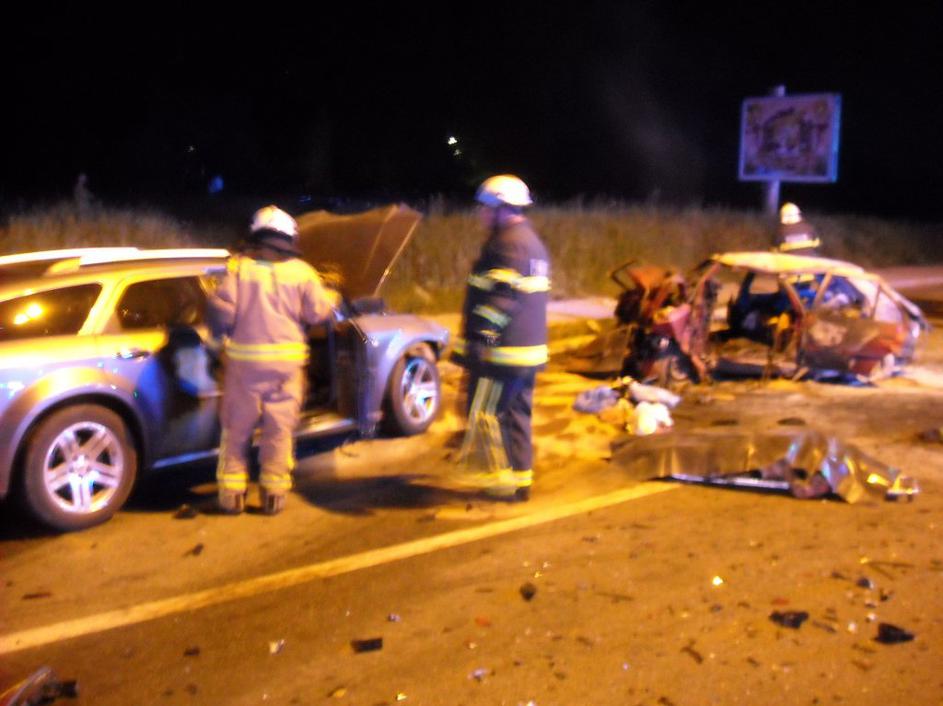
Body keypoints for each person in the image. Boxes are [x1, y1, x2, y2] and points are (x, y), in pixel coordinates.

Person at [206, 205, 337, 515]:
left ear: (257, 237)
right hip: (287, 369)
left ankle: (232, 495)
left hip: (245, 367)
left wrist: (215, 334)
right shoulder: (302, 273)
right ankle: (274, 494)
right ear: (288, 240)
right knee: (279, 431)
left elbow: (222, 314)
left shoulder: (239, 270)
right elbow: (318, 312)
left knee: (236, 430)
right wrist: (333, 297)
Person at [451, 175, 550, 501]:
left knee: (488, 415)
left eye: (486, 208)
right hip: (523, 353)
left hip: (503, 355)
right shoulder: (529, 242)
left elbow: (502, 297)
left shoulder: (508, 244)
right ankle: (521, 481)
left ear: (503, 209)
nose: (481, 214)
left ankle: (502, 480)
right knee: (516, 415)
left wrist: (481, 337)